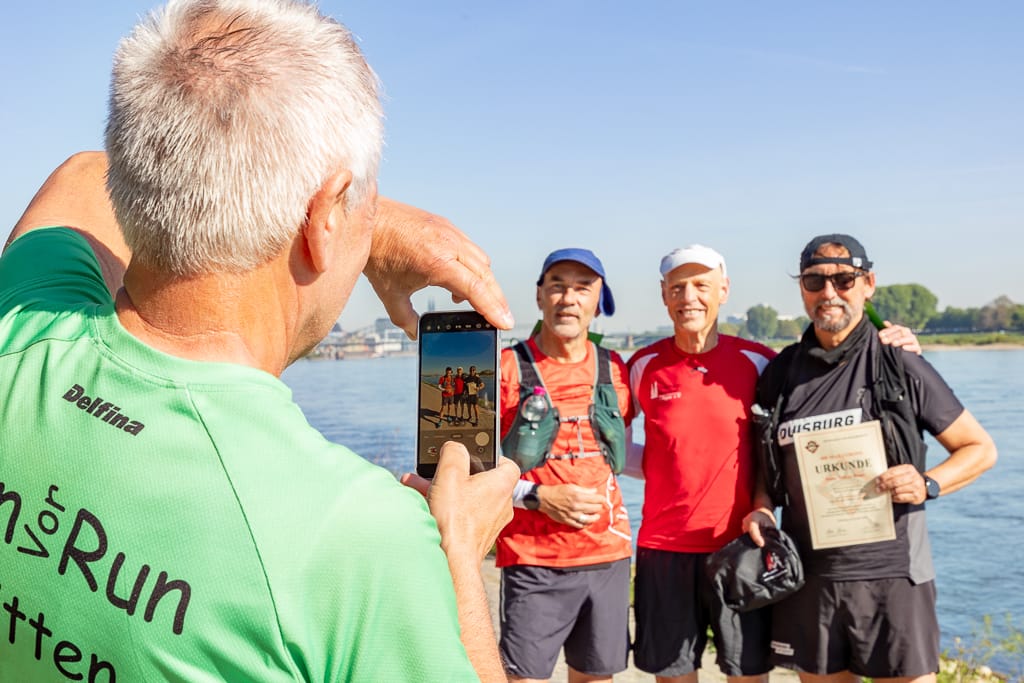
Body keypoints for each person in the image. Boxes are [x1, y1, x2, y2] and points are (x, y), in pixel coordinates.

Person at [0, 1, 519, 681]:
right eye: (363, 200)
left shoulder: (25, 331)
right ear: (325, 215)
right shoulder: (357, 539)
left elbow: (78, 177)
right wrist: (453, 554)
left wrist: (361, 215)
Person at [625, 245, 925, 683]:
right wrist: (662, 466)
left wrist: (896, 341)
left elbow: (791, 435)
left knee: (748, 675)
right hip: (663, 549)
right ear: (664, 295)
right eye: (678, 287)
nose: (689, 296)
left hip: (745, 547)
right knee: (672, 676)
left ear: (723, 290)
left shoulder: (760, 362)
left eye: (701, 285)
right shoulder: (642, 365)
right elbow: (609, 446)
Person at [753, 234, 997, 683]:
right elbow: (766, 471)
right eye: (814, 281)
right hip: (811, 578)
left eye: (844, 279)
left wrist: (928, 482)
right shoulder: (781, 373)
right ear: (802, 289)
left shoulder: (899, 363)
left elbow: (979, 448)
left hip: (894, 576)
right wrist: (762, 507)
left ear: (868, 284)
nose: (829, 293)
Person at [497, 248, 633, 683]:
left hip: (607, 558)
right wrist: (536, 496)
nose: (568, 298)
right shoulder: (505, 369)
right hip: (533, 561)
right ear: (539, 296)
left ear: (599, 301)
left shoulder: (617, 369)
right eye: (556, 285)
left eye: (582, 287)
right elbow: (466, 470)